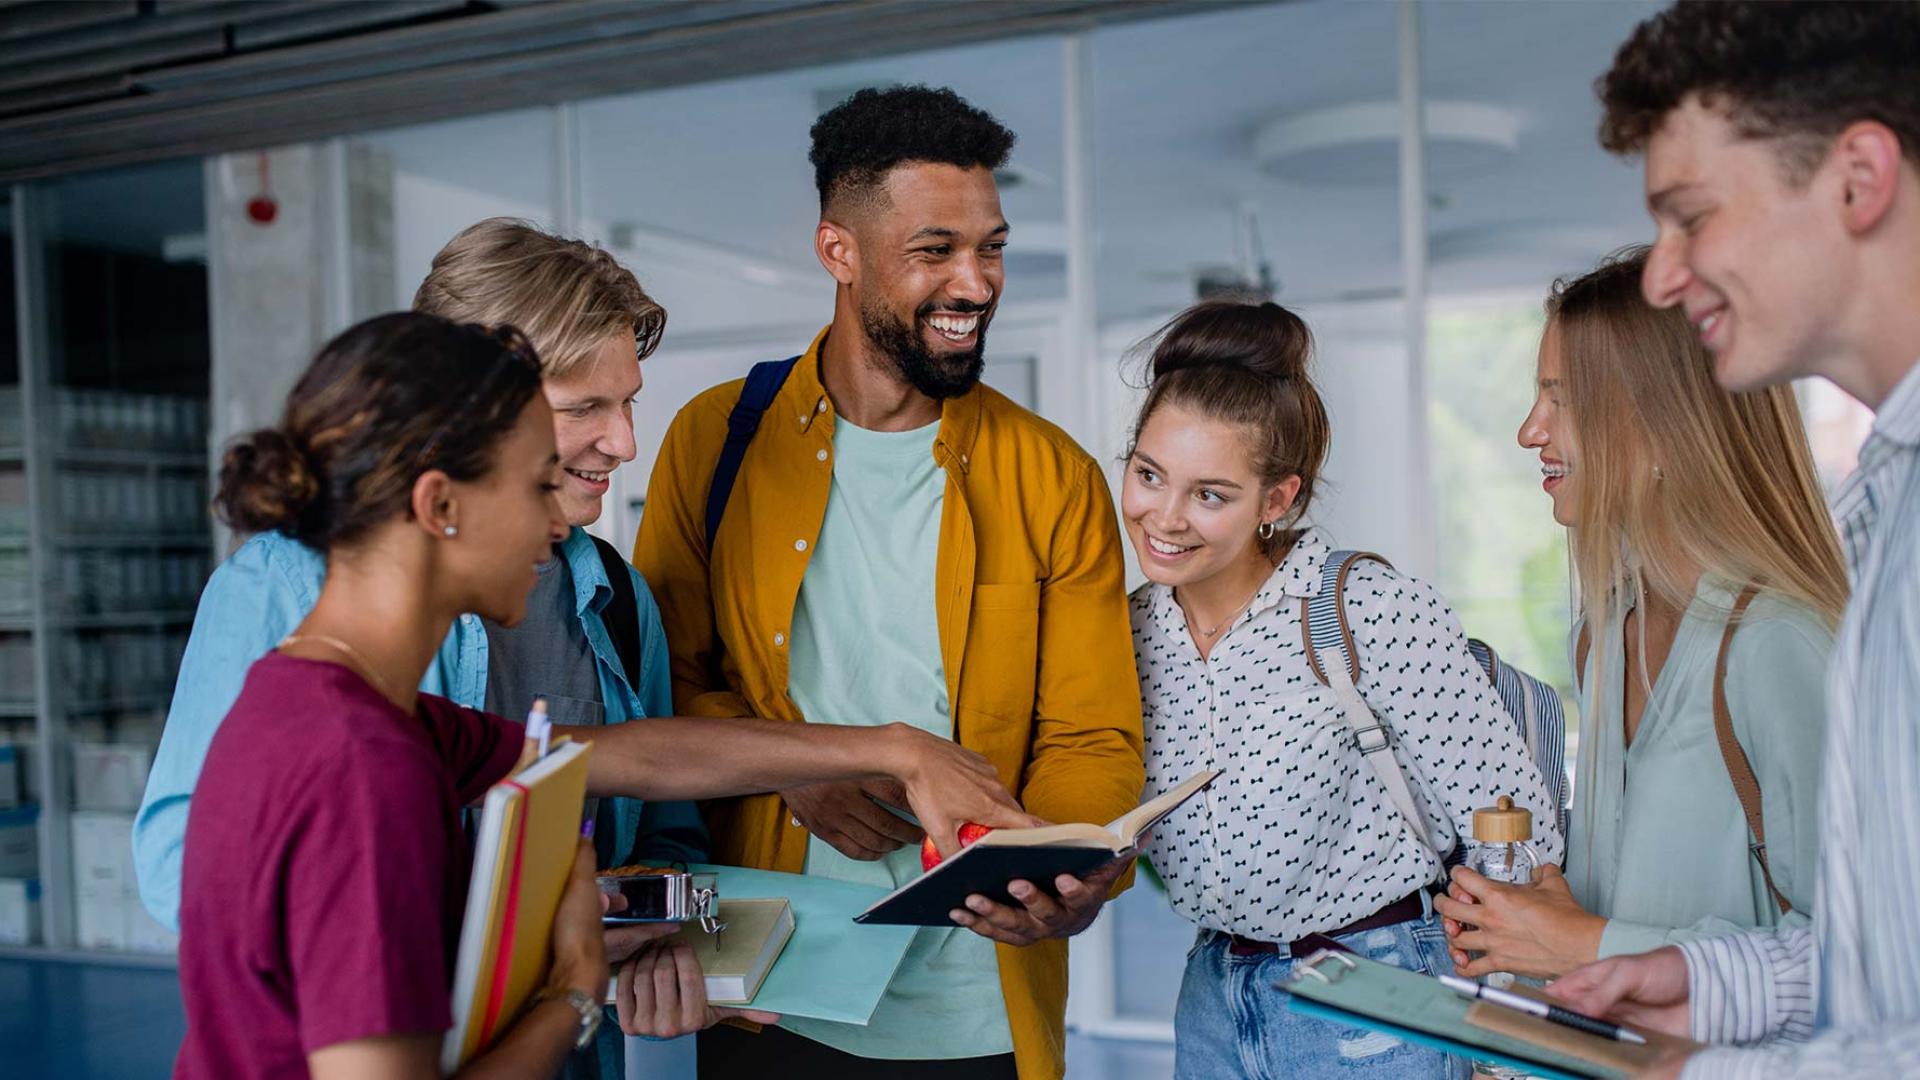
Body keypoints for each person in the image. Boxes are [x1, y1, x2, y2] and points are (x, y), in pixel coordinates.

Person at [177, 313, 1025, 1080]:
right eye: (535, 486)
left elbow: (633, 755)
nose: (558, 522)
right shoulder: (364, 764)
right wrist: (573, 991)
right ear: (440, 506)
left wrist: (898, 748)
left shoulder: (331, 705)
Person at [630, 85, 1145, 1079]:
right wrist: (791, 763)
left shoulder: (1055, 476)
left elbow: (1092, 735)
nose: (976, 283)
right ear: (840, 251)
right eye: (934, 250)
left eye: (990, 247)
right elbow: (664, 683)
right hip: (769, 1001)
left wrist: (1080, 870)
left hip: (978, 1012)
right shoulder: (713, 440)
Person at [1540, 4, 1920, 1077]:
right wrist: (1714, 981)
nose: (1663, 277)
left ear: (1857, 177)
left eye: (1691, 217)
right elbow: (1890, 957)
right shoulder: (1883, 508)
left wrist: (1693, 1069)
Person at [1119, 298, 1564, 1079]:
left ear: (1277, 500)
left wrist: (1509, 1028)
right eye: (1149, 474)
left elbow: (1514, 828)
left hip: (1377, 989)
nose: (1165, 516)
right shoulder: (1126, 632)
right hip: (1213, 996)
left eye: (1209, 494)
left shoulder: (1362, 608)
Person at [1433, 248, 1845, 981]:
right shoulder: (1605, 634)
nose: (1532, 431)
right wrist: (1546, 915)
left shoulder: (1779, 643)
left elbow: (1863, 962)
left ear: (1662, 421)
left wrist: (1585, 944)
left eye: (1563, 400)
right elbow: (1619, 916)